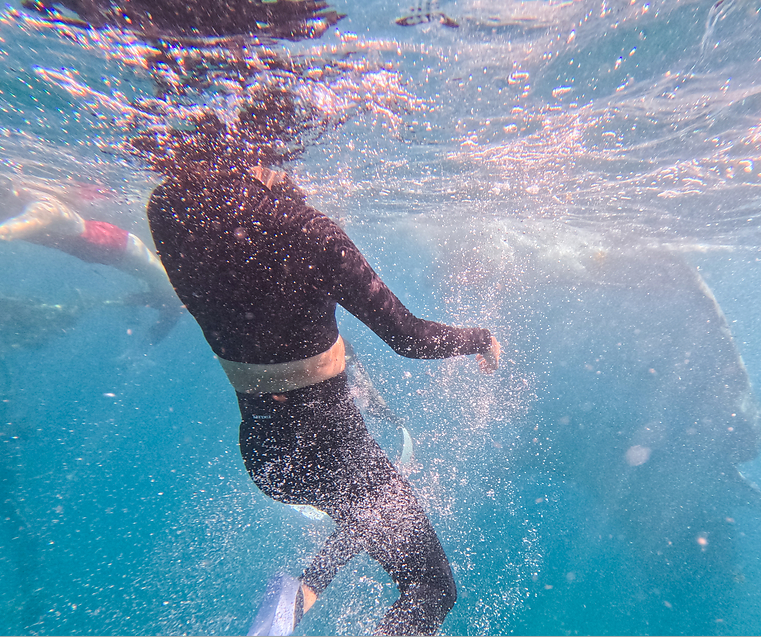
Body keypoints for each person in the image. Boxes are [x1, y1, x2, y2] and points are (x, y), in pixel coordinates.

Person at [135, 112, 500, 636]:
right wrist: (479, 338)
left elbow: (248, 291)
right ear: (263, 150)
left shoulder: (169, 212)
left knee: (362, 513)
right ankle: (296, 596)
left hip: (263, 453)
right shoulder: (311, 234)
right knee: (430, 587)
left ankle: (295, 598)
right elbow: (411, 339)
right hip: (330, 447)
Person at [0, 168, 181, 341]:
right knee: (161, 287)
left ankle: (167, 316)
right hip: (99, 246)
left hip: (115, 245)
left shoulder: (43, 208)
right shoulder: (2, 196)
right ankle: (163, 309)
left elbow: (2, 234)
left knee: (167, 286)